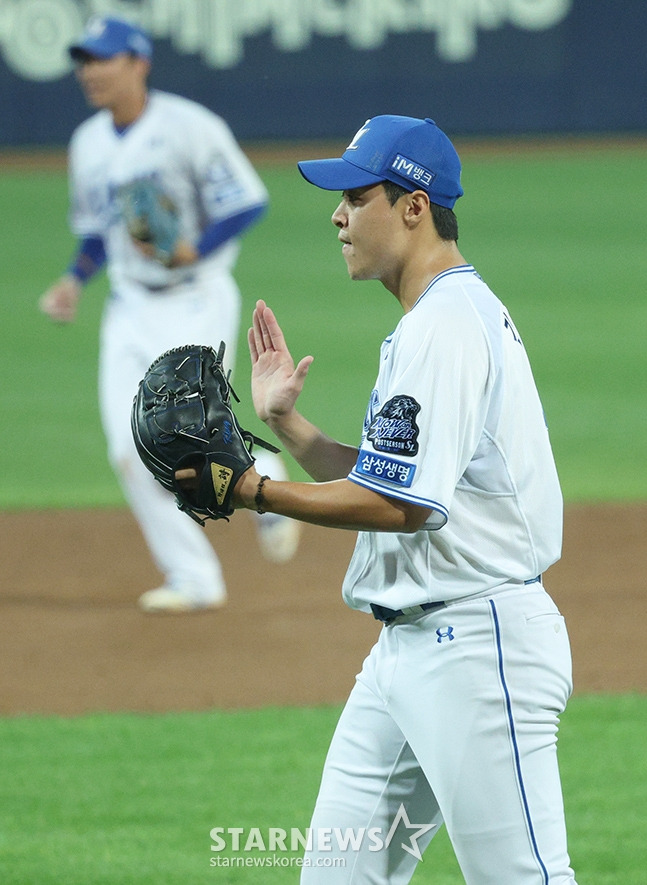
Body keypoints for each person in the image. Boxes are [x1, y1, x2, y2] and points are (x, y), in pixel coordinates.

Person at [229, 116, 578, 881]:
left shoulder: (446, 326)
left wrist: (254, 489)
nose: (337, 215)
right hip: (407, 654)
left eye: (355, 195)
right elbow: (397, 479)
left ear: (413, 205)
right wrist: (289, 425)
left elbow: (402, 508)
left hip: (478, 649)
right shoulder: (436, 319)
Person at [39, 15, 299, 613]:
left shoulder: (190, 127)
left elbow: (247, 200)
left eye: (103, 59)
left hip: (194, 296)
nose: (90, 72)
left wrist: (196, 249)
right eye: (84, 61)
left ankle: (263, 470)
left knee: (178, 431)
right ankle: (194, 578)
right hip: (127, 307)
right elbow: (102, 231)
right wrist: (74, 280)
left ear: (139, 63)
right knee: (128, 450)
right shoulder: (88, 144)